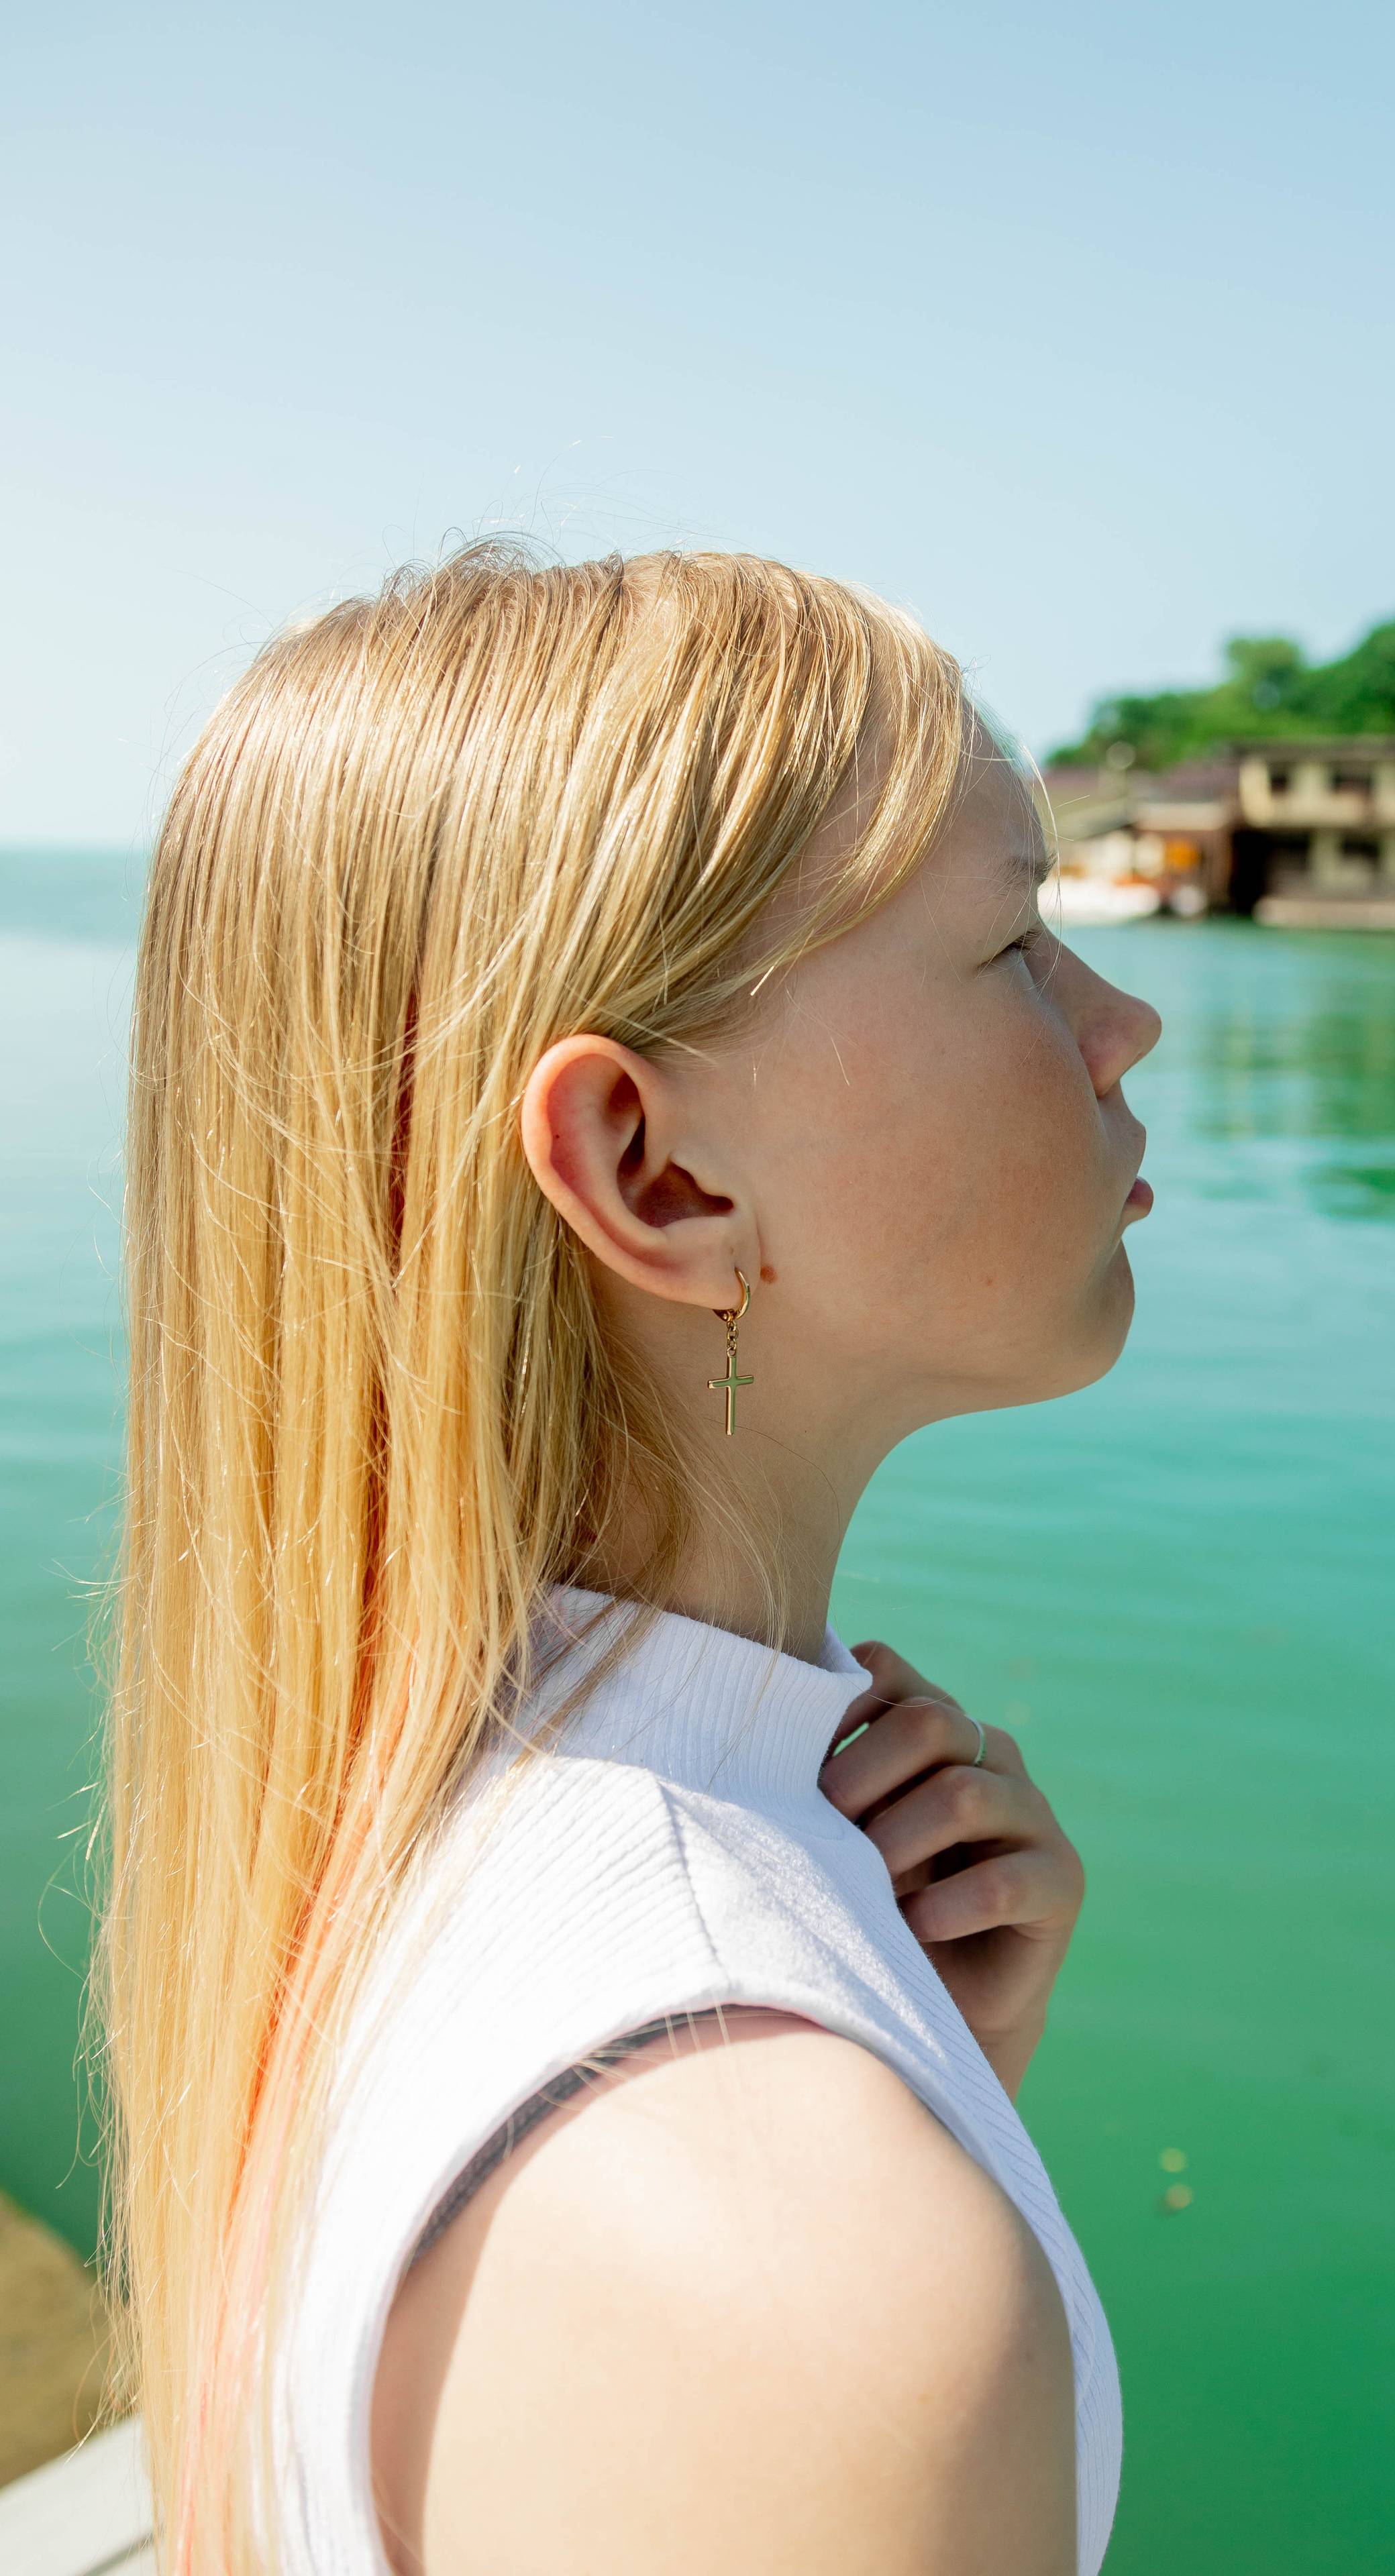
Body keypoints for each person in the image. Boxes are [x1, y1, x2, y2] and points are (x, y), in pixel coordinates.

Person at [101, 547, 1159, 2576]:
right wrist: (860, 2154)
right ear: (658, 1175)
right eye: (1020, 938)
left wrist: (926, 2063)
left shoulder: (400, 1805)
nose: (1128, 1025)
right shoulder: (786, 2267)